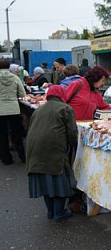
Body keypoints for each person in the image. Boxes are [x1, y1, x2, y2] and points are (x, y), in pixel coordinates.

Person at [26, 85, 78, 222]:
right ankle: (59, 213)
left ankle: (50, 211)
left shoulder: (39, 109)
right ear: (62, 95)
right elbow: (72, 133)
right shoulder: (65, 108)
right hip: (53, 149)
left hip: (34, 150)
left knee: (45, 181)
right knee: (58, 180)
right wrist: (74, 146)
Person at [0, 58, 26, 165]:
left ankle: (6, 158)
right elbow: (22, 94)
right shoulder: (15, 78)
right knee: (17, 134)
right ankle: (22, 156)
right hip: (14, 108)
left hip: (1, 109)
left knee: (2, 135)